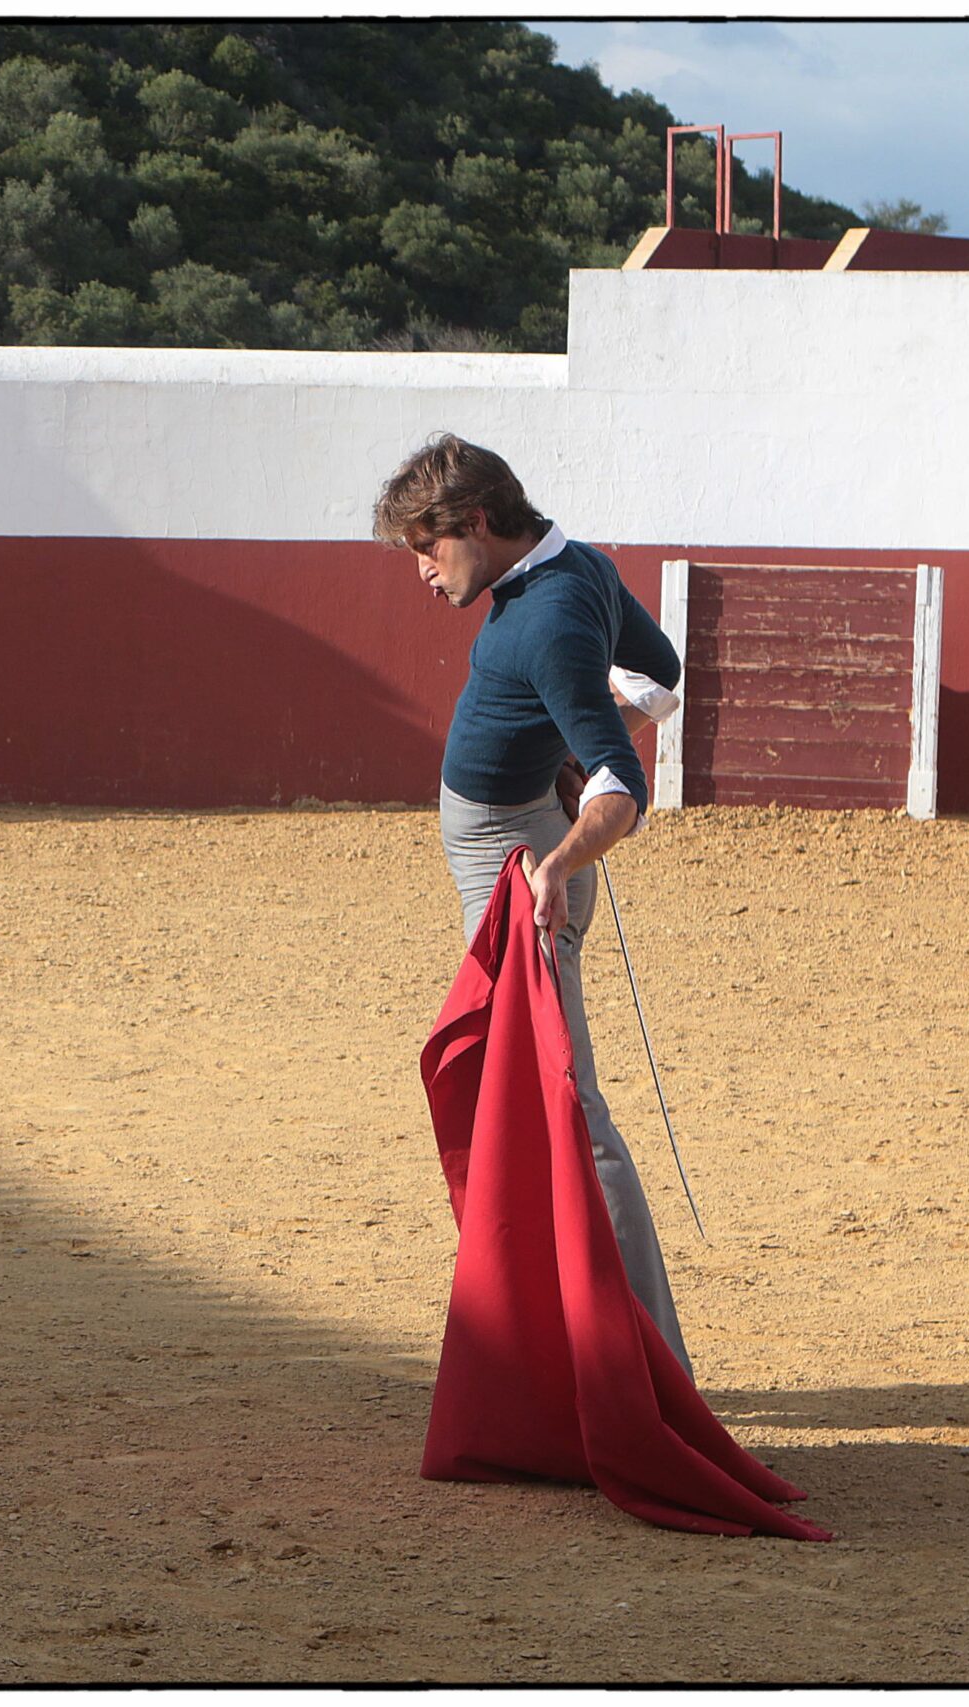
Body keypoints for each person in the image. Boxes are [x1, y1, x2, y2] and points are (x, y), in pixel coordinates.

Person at [374, 432, 693, 1376]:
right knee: (530, 1090)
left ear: (476, 522)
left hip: (516, 869)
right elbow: (662, 674)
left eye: (429, 549)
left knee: (564, 1101)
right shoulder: (574, 563)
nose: (424, 574)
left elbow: (620, 792)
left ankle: (644, 1360)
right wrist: (578, 745)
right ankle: (584, 1340)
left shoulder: (546, 619)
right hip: (517, 846)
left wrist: (552, 864)